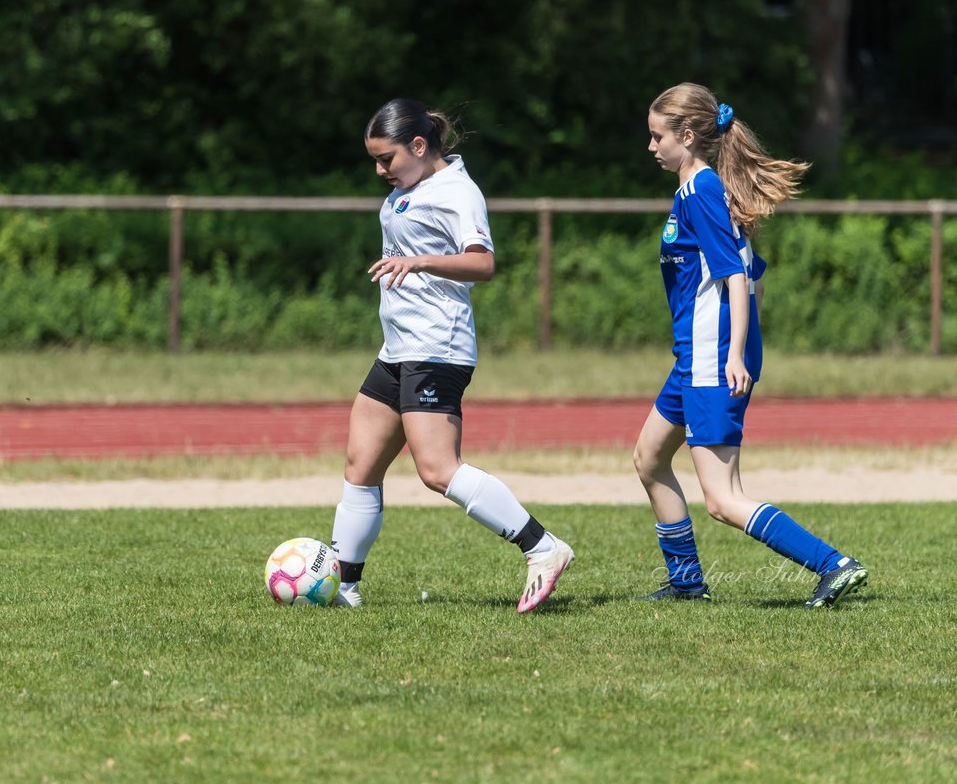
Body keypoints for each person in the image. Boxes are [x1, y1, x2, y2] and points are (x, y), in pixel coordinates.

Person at [329, 97, 574, 613]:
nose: (379, 170)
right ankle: (341, 587)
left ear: (419, 146)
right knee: (360, 464)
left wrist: (420, 263)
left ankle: (542, 547)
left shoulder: (457, 191)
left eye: (386, 159)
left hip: (436, 348)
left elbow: (482, 264)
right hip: (397, 347)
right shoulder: (410, 187)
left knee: (438, 470)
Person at [633, 83, 868, 609]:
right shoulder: (698, 190)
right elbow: (753, 273)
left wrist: (734, 352)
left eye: (657, 136)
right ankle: (687, 582)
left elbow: (736, 278)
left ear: (687, 136)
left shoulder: (703, 192)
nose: (651, 147)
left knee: (722, 498)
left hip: (712, 357)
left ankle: (835, 565)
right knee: (649, 458)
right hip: (694, 356)